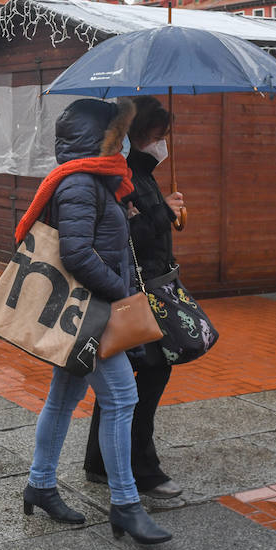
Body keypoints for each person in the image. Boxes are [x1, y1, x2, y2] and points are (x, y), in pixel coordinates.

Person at [18, 97, 172, 545]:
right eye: (119, 137)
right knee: (123, 399)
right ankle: (125, 504)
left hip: (87, 310)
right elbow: (77, 254)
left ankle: (41, 485)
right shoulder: (81, 185)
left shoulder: (98, 183)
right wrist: (121, 293)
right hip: (92, 312)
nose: (125, 146)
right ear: (100, 139)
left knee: (63, 399)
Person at [84, 96, 185, 499]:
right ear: (141, 135)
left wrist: (166, 210)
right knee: (145, 377)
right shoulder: (120, 176)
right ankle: (140, 466)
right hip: (134, 296)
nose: (164, 145)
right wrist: (162, 212)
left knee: (123, 381)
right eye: (159, 136)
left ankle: (101, 461)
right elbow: (121, 240)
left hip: (150, 288)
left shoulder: (142, 173)